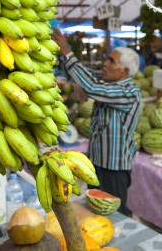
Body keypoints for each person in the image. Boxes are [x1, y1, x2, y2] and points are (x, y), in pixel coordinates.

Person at [52, 28, 142, 216]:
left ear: (124, 72)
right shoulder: (109, 84)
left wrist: (67, 52)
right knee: (96, 209)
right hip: (98, 162)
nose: (105, 63)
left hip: (114, 168)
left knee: (115, 212)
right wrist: (62, 56)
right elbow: (89, 78)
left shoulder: (130, 93)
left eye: (112, 61)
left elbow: (91, 87)